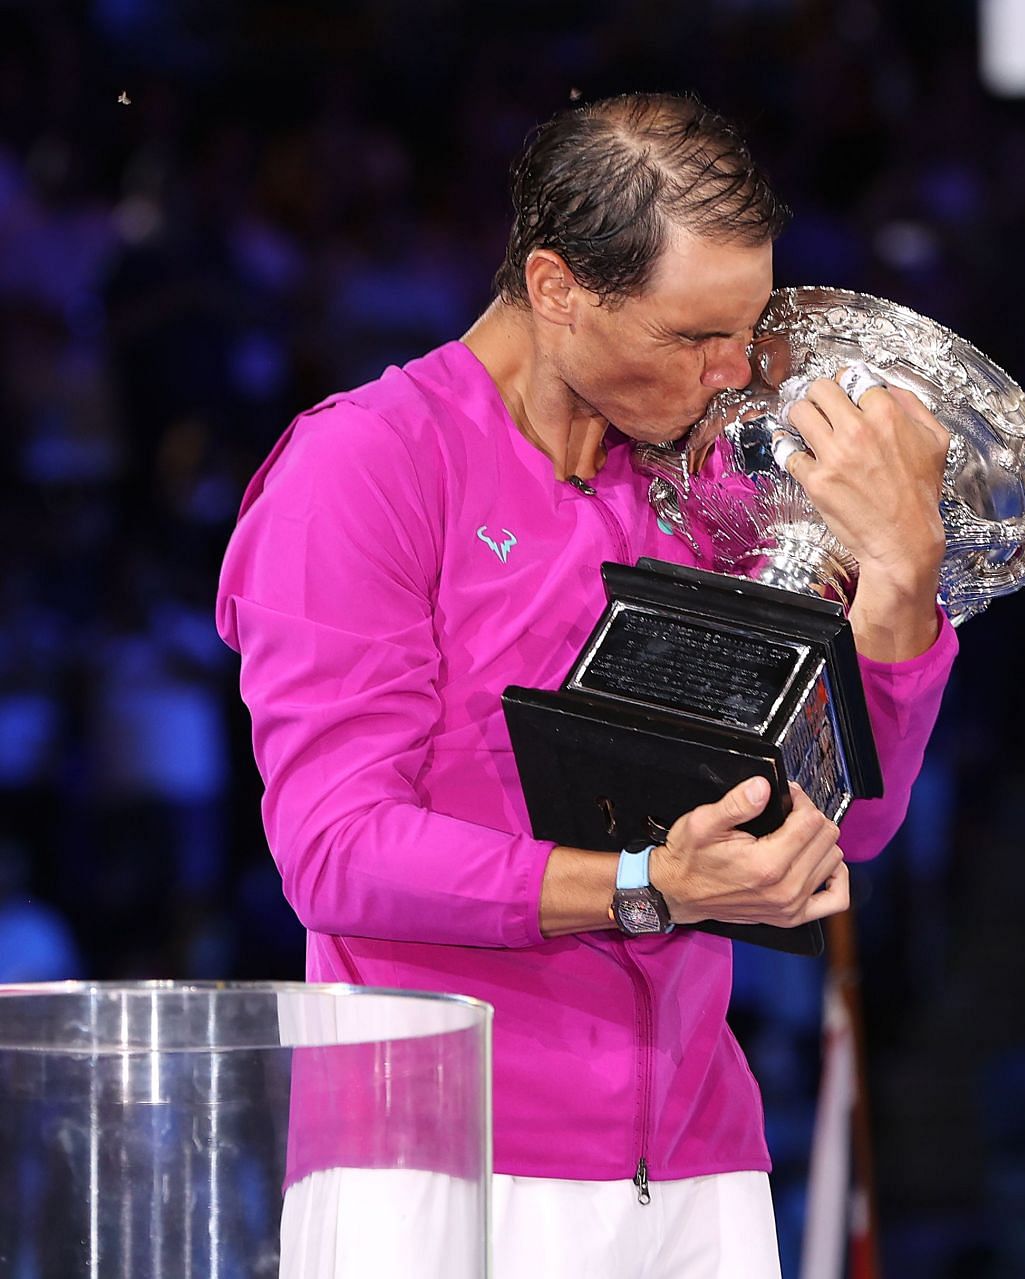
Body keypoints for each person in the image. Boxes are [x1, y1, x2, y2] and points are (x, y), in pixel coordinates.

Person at [215, 91, 956, 1276]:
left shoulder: (703, 493)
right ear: (555, 288)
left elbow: (847, 821)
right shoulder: (366, 464)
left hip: (701, 1165)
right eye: (689, 337)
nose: (730, 376)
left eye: (746, 332)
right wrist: (642, 885)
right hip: (434, 1161)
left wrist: (902, 582)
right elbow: (335, 846)